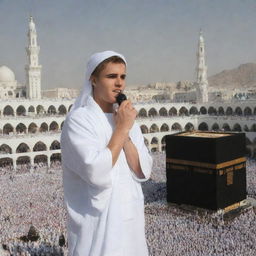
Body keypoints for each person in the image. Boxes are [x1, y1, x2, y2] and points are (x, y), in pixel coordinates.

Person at [61, 50, 152, 256]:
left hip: (130, 225)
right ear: (93, 80)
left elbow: (141, 170)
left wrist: (125, 129)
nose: (119, 83)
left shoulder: (126, 119)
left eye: (123, 77)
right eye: (111, 76)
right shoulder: (79, 120)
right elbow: (95, 171)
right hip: (98, 231)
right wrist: (121, 129)